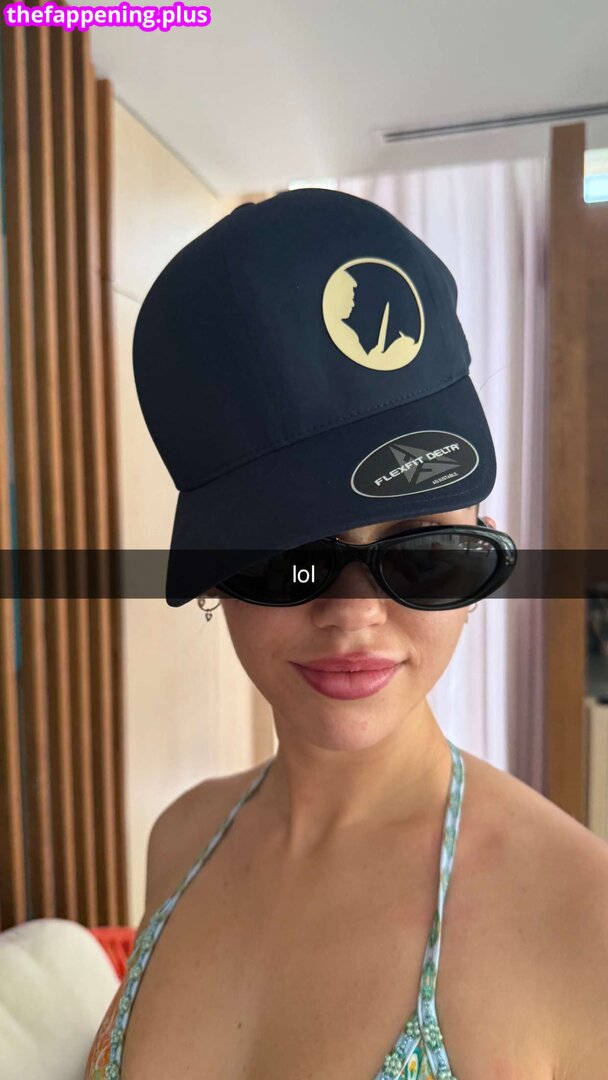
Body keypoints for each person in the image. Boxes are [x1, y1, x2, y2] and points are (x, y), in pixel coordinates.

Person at [86, 189, 608, 1080]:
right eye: (292, 554)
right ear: (214, 573)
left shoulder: (581, 923)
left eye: (423, 552)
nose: (354, 612)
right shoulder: (177, 840)